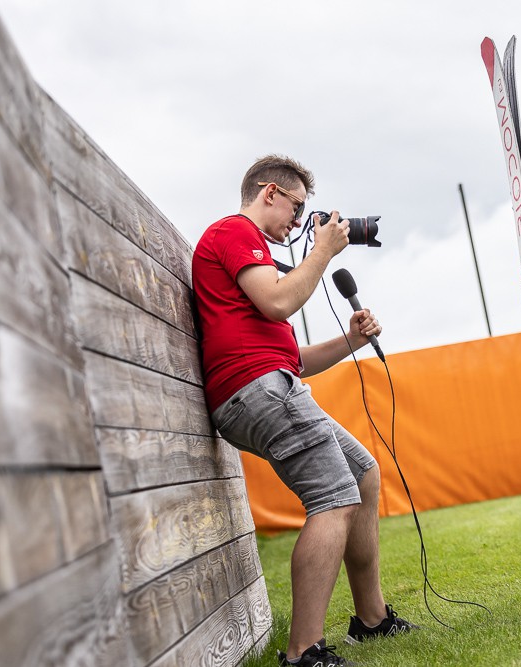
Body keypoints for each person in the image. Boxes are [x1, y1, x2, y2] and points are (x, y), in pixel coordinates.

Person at [192, 155, 415, 667]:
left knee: (362, 474)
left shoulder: (255, 263)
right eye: (296, 209)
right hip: (258, 389)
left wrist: (353, 340)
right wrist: (322, 251)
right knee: (334, 497)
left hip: (268, 382)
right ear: (269, 192)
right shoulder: (235, 231)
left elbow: (294, 359)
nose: (297, 223)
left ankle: (371, 619)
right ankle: (303, 652)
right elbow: (278, 303)